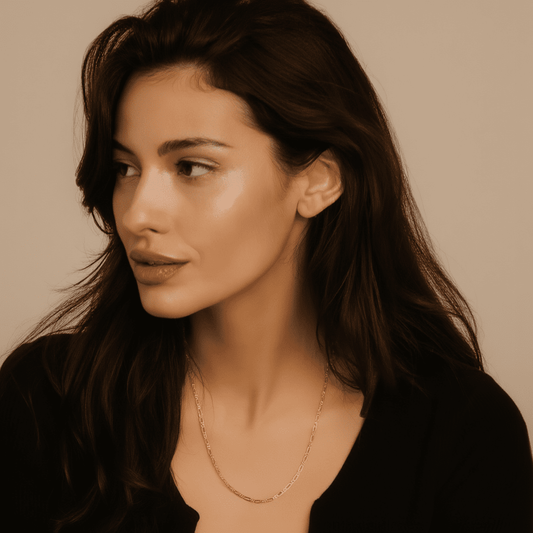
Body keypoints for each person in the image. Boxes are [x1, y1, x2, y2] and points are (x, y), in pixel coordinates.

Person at [0, 0, 531, 531]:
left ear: (319, 180)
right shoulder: (45, 405)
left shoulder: (462, 433)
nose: (137, 213)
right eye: (125, 168)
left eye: (191, 167)